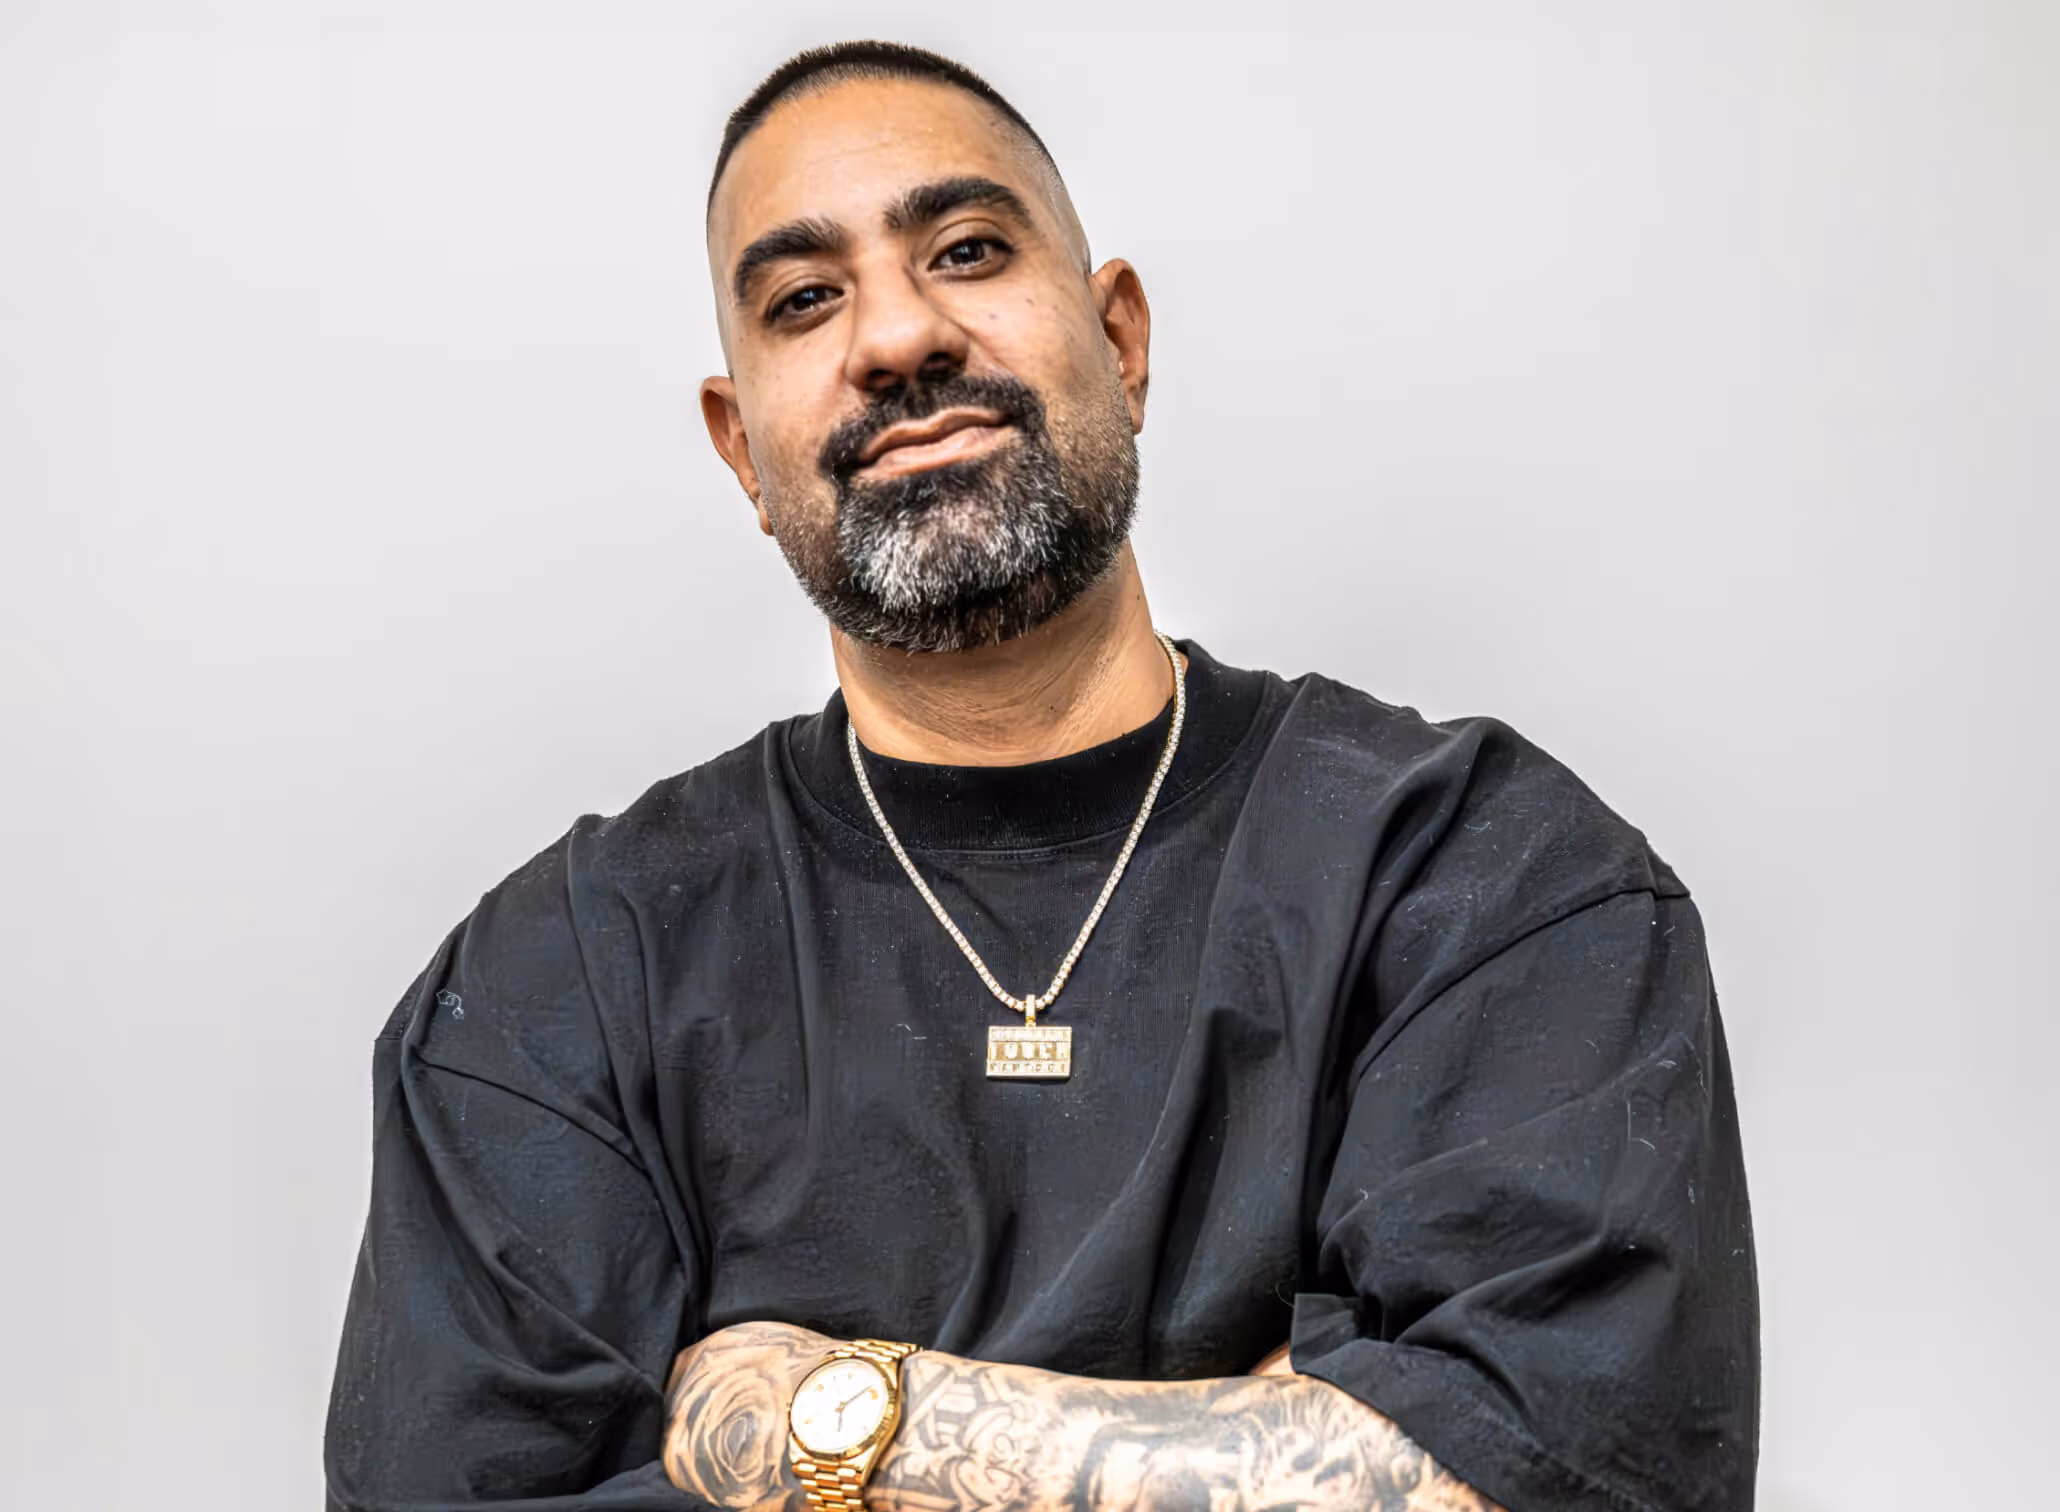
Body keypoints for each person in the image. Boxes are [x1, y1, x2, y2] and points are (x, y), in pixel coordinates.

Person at [325, 40, 1758, 1512]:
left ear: (1120, 340)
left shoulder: (1487, 882)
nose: (897, 335)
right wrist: (1296, 1441)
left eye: (966, 248)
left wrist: (838, 1418)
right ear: (740, 450)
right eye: (805, 299)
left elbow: (1575, 1476)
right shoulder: (549, 988)